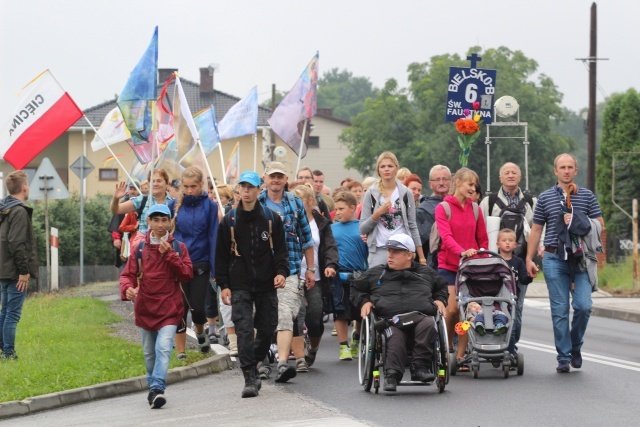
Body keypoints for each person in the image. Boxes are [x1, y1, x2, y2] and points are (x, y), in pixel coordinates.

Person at [526, 153, 604, 373]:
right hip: (554, 257)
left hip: (581, 260)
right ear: (556, 171)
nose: (567, 171)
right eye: (563, 167)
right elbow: (537, 229)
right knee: (559, 310)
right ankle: (563, 356)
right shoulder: (545, 197)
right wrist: (529, 258)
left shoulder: (587, 196)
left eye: (571, 167)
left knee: (583, 306)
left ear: (576, 171)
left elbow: (600, 225)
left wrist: (578, 220)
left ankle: (575, 347)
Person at [216, 171, 289, 398]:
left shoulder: (271, 218)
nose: (246, 191)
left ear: (259, 189)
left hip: (267, 282)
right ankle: (249, 376)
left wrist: (281, 272)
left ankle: (253, 362)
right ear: (238, 190)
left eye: (251, 187)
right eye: (243, 187)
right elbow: (220, 256)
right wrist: (223, 284)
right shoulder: (229, 220)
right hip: (239, 283)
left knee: (267, 330)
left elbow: (281, 251)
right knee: (244, 330)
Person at [351, 233, 448, 392]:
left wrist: (440, 299)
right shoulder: (376, 273)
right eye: (389, 251)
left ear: (409, 255)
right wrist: (364, 301)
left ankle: (420, 369)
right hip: (391, 319)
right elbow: (356, 287)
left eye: (395, 252)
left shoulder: (426, 273)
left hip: (420, 317)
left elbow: (442, 287)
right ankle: (392, 375)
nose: (390, 255)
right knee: (394, 334)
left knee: (430, 323)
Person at [119, 204, 193, 408]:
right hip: (145, 307)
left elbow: (187, 274)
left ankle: (158, 387)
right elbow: (127, 275)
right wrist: (128, 289)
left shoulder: (178, 247)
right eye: (156, 220)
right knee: (149, 353)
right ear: (149, 222)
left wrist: (170, 255)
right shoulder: (139, 248)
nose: (160, 225)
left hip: (170, 307)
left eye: (164, 220)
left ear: (170, 223)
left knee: (163, 348)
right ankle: (152, 388)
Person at [258, 162, 315, 383]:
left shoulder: (295, 203)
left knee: (285, 314)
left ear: (285, 179)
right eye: (272, 176)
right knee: (260, 316)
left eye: (280, 176)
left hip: (290, 268)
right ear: (265, 178)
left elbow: (307, 240)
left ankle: (282, 363)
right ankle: (261, 361)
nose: (276, 180)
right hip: (261, 270)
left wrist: (309, 269)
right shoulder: (256, 202)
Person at [435, 167, 488, 371]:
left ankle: (460, 356)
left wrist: (481, 254)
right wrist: (461, 252)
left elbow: (482, 238)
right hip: (448, 265)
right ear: (457, 182)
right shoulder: (443, 208)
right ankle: (447, 347)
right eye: (470, 184)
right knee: (452, 309)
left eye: (475, 185)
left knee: (467, 311)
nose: (473, 188)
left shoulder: (476, 209)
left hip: (470, 267)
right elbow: (446, 237)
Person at [168, 167, 219, 359]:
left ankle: (199, 332)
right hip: (177, 263)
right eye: (186, 187)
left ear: (201, 185)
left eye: (193, 187)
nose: (190, 191)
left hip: (200, 263)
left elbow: (213, 237)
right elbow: (164, 232)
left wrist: (215, 268)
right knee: (179, 307)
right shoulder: (174, 205)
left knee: (198, 308)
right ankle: (181, 352)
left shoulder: (210, 206)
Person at [288, 183, 338, 370]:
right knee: (296, 315)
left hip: (316, 277)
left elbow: (330, 246)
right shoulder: (287, 220)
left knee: (314, 317)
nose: (295, 204)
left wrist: (331, 265)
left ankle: (313, 348)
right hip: (293, 275)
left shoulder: (321, 223)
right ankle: (300, 358)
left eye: (299, 199)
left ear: (309, 201)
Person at [360, 152, 426, 267]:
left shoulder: (406, 193)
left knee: (401, 284)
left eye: (390, 166)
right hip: (378, 250)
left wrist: (421, 257)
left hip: (402, 250)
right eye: (383, 166)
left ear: (396, 169)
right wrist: (378, 213)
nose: (386, 169)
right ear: (378, 170)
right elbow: (362, 228)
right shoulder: (371, 193)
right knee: (377, 284)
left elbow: (412, 225)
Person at [0, 171, 38, 360]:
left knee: (5, 311)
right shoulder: (19, 211)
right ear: (24, 187)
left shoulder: (4, 209)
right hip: (15, 272)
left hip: (3, 270)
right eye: (28, 185)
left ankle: (3, 350)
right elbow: (16, 243)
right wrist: (24, 271)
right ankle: (8, 353)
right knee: (12, 315)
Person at [330, 191, 368, 360]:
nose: (337, 212)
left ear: (353, 208)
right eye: (336, 209)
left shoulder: (363, 227)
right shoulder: (331, 229)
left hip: (360, 274)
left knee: (359, 311)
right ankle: (343, 346)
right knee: (340, 311)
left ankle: (357, 337)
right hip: (339, 275)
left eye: (341, 208)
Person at [480, 162, 539, 259]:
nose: (511, 176)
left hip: (524, 257)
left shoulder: (531, 202)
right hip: (494, 257)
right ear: (500, 179)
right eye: (507, 173)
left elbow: (538, 228)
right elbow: (480, 228)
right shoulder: (489, 202)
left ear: (520, 177)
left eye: (514, 173)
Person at [111, 169, 173, 256]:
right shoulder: (142, 200)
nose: (155, 184)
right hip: (143, 251)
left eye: (159, 181)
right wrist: (116, 199)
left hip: (166, 250)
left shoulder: (174, 203)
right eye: (152, 181)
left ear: (167, 184)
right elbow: (116, 210)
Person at [495, 228, 532, 356]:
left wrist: (530, 276)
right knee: (497, 322)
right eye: (504, 240)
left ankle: (510, 351)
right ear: (497, 244)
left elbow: (523, 279)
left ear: (515, 245)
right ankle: (496, 346)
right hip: (496, 298)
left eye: (510, 240)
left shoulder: (518, 262)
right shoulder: (494, 260)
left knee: (513, 324)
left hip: (512, 299)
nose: (507, 243)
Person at [416, 165, 452, 268]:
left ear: (451, 181)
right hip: (434, 263)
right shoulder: (422, 210)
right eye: (437, 180)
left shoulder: (458, 204)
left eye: (445, 179)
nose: (441, 183)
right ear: (430, 184)